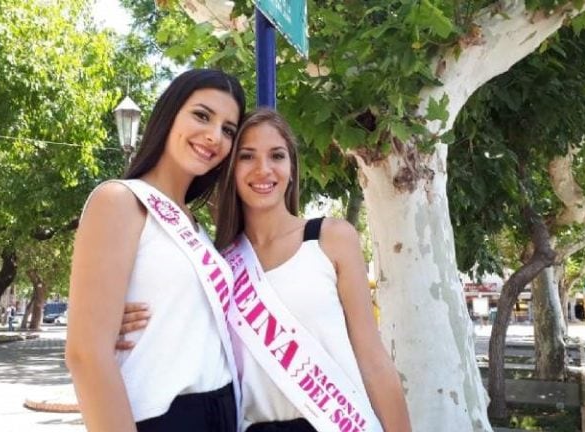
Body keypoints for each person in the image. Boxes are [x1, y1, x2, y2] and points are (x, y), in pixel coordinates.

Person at [121, 109, 411, 432]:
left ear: (291, 168)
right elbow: (179, 333)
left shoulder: (331, 238)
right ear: (230, 169)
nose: (264, 169)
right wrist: (116, 323)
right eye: (247, 156)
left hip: (340, 423)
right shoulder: (219, 267)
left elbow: (374, 361)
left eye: (277, 155)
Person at [65, 68, 246, 432]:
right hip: (162, 417)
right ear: (169, 114)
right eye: (201, 115)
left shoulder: (197, 228)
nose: (214, 136)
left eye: (228, 129)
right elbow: (86, 354)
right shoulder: (119, 200)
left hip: (222, 410)